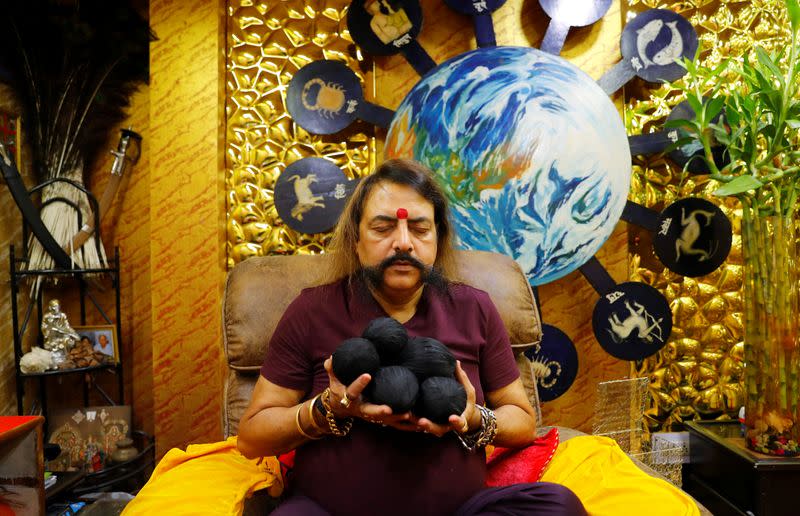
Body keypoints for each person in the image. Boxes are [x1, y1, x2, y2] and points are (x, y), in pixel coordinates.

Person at [237, 159, 586, 515]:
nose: (403, 243)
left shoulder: (474, 309)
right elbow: (251, 436)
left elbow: (523, 422)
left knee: (558, 507)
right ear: (356, 240)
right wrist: (327, 408)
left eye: (419, 229)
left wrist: (474, 417)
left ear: (438, 240)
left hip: (461, 511)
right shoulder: (312, 311)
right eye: (383, 228)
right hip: (330, 511)